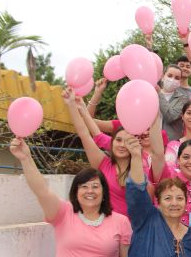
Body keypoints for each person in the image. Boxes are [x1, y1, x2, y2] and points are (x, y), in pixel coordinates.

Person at [62, 88, 165, 217]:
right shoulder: (103, 163)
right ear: (112, 143)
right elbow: (84, 134)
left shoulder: (141, 170)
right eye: (118, 140)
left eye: (127, 141)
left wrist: (153, 107)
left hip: (136, 232)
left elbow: (158, 153)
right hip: (107, 230)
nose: (122, 145)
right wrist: (72, 105)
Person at [159, 64, 191, 141]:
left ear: (180, 81)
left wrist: (159, 94)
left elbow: (170, 116)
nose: (172, 79)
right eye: (170, 75)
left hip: (172, 143)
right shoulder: (152, 95)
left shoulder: (183, 99)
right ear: (163, 76)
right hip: (152, 142)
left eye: (177, 78)